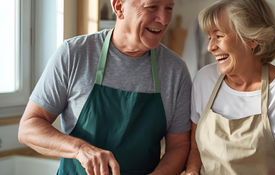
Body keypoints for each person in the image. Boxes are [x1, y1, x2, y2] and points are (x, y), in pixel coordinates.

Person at [18, 0, 192, 174]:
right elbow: (28, 128)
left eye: (169, 8)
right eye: (151, 7)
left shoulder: (175, 71)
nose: (163, 19)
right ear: (119, 7)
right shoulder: (74, 54)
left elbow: (179, 145)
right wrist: (80, 149)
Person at [185, 0, 275, 174]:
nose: (210, 47)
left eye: (219, 36)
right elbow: (195, 151)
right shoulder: (203, 80)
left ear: (252, 39)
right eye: (209, 37)